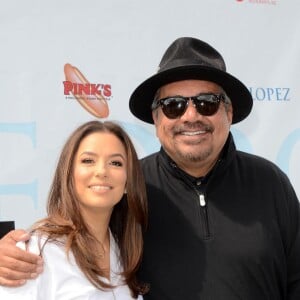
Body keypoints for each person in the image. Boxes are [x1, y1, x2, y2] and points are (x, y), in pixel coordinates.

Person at [1, 37, 300, 299]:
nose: (190, 116)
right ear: (156, 120)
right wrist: (10, 252)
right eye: (174, 105)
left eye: (207, 103)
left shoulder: (271, 183)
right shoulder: (127, 188)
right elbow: (70, 239)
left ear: (229, 112)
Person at [0, 120, 148, 299]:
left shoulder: (125, 251)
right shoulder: (35, 251)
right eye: (88, 160)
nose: (101, 171)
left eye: (115, 163)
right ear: (68, 174)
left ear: (128, 182)